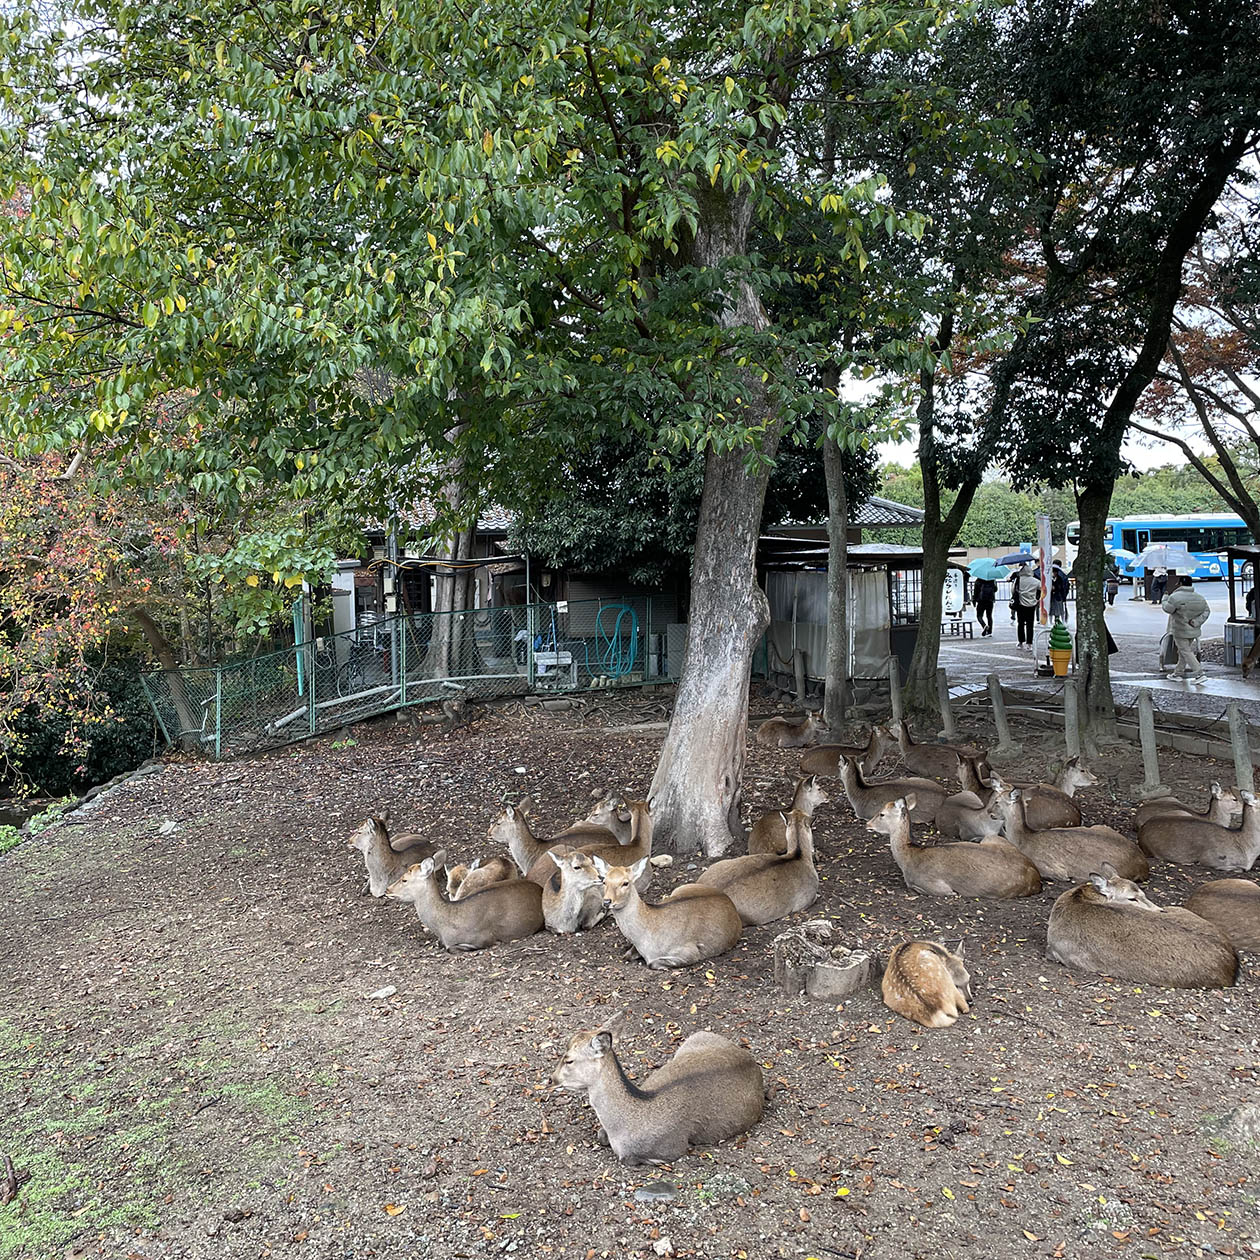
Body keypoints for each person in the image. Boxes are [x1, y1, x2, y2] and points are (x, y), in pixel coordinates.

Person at [1161, 576, 1210, 683]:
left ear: (1179, 584)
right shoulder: (1199, 597)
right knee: (1183, 652)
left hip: (1180, 629)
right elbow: (1206, 611)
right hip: (1193, 630)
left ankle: (1199, 673)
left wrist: (1164, 598)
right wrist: (1196, 622)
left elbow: (1167, 609)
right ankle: (1178, 673)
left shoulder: (1175, 597)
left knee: (1185, 651)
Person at [1011, 563, 1040, 650]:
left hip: (1020, 604)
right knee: (1030, 624)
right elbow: (1043, 588)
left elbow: (1013, 591)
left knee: (1020, 624)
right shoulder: (1035, 581)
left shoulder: (1018, 580)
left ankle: (1020, 642)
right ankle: (1029, 644)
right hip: (1031, 605)